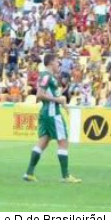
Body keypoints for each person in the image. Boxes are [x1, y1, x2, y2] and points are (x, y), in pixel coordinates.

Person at [24, 54, 81, 184]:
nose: (58, 64)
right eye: (57, 62)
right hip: (52, 113)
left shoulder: (48, 77)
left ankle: (29, 173)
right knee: (63, 142)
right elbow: (39, 95)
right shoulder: (46, 76)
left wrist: (63, 103)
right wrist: (57, 100)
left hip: (47, 112)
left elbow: (45, 95)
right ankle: (65, 176)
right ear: (50, 63)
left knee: (43, 142)